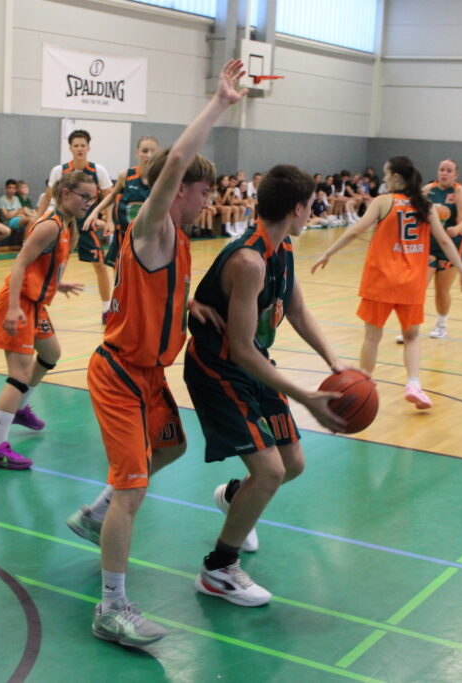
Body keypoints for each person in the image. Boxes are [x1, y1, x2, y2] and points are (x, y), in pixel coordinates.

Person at [64, 59, 243, 647]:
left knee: (172, 446)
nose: (208, 199)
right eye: (203, 189)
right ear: (180, 187)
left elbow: (153, 287)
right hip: (120, 373)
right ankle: (111, 608)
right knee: (133, 489)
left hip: (147, 374)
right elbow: (177, 161)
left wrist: (185, 307)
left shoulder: (178, 242)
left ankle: (95, 514)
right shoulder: (153, 225)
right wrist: (219, 102)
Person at [185, 162, 352, 608]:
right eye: (311, 204)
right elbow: (241, 349)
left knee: (292, 464)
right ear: (298, 208)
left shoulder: (284, 247)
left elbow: (295, 311)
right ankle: (218, 570)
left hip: (252, 364)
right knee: (270, 471)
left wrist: (336, 363)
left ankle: (235, 498)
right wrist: (306, 397)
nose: (313, 211)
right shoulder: (248, 262)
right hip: (218, 370)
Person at [313, 156, 462, 410]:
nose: (385, 179)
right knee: (412, 337)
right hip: (411, 282)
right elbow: (444, 240)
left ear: (396, 178)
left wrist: (328, 253)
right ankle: (414, 384)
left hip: (380, 280)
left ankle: (365, 385)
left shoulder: (383, 201)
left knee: (372, 338)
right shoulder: (425, 205)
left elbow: (355, 230)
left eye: (387, 175)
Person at [0, 172, 90, 469]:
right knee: (18, 375)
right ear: (65, 193)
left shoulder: (67, 224)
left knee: (51, 353)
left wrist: (57, 284)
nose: (88, 203)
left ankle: (18, 407)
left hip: (35, 303)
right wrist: (13, 308)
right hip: (19, 302)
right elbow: (20, 263)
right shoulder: (49, 225)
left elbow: (44, 265)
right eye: (84, 196)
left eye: (91, 198)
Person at [38, 130, 116, 324]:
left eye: (83, 145)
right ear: (70, 148)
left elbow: (109, 196)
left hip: (87, 223)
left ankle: (106, 308)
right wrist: (39, 219)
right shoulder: (60, 170)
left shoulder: (98, 170)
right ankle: (38, 303)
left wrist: (109, 220)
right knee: (52, 263)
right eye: (76, 145)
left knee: (100, 265)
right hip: (64, 222)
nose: (80, 149)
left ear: (88, 148)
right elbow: (48, 196)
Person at [85, 136, 159, 270]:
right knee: (119, 275)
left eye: (153, 151)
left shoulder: (162, 178)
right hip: (124, 235)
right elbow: (112, 195)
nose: (149, 155)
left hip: (149, 237)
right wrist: (95, 212)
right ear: (137, 153)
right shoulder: (126, 175)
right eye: (145, 151)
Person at [421, 159, 462, 340]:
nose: (444, 173)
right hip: (430, 243)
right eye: (441, 169)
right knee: (419, 287)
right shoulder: (427, 190)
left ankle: (441, 325)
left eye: (449, 170)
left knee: (441, 289)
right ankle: (410, 327)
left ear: (455, 175)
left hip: (452, 244)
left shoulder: (460, 192)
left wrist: (456, 229)